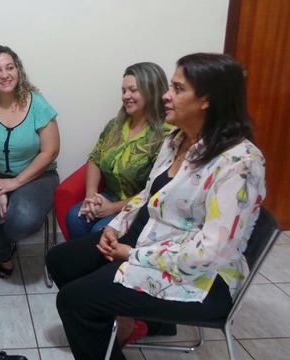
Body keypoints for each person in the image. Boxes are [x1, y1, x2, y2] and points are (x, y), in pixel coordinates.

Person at [46, 52, 266, 360]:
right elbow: (147, 195)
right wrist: (113, 226)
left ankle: (128, 322)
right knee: (60, 260)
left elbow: (211, 251)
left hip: (202, 278)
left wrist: (132, 254)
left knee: (76, 302)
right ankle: (129, 321)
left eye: (177, 89)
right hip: (155, 241)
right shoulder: (177, 139)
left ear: (206, 99)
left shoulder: (239, 162)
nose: (165, 95)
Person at [0, 45, 60, 279]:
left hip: (37, 175)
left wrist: (16, 182)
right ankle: (5, 252)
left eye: (10, 67)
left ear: (18, 71)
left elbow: (50, 152)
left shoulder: (38, 105)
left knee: (24, 218)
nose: (5, 74)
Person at [65, 62, 171, 239]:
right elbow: (95, 159)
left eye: (133, 90)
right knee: (74, 218)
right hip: (109, 195)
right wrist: (91, 196)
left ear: (151, 91)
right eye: (123, 91)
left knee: (100, 230)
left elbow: (157, 191)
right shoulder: (116, 124)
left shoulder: (166, 134)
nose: (126, 96)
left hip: (139, 206)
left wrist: (112, 208)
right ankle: (83, 265)